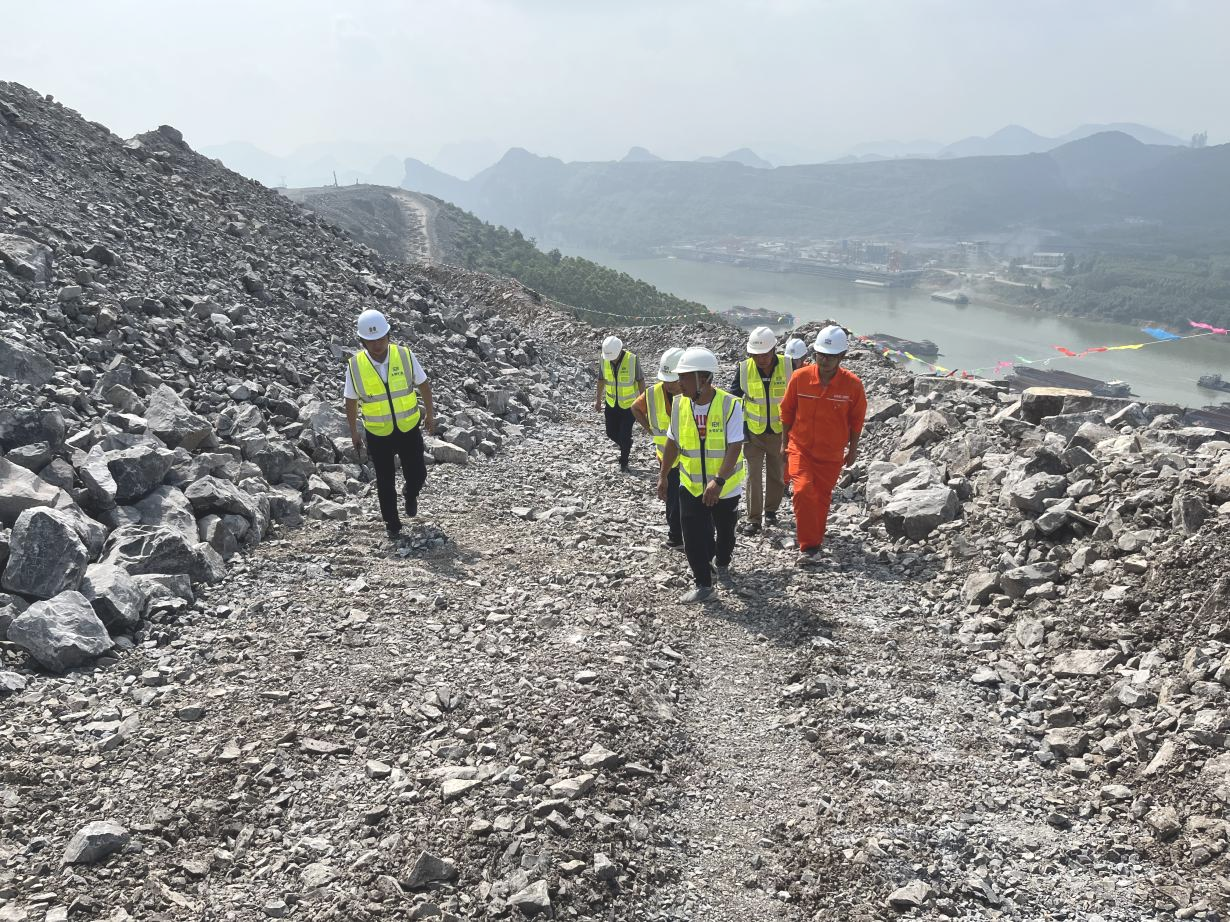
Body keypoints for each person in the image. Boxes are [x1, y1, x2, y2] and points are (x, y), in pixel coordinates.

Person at [658, 347, 746, 603]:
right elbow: (672, 442)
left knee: (725, 534)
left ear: (704, 379)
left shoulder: (730, 405)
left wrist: (718, 481)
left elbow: (735, 446)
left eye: (684, 377)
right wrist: (663, 475)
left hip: (725, 488)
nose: (679, 383)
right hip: (691, 484)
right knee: (692, 534)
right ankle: (703, 584)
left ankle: (722, 561)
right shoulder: (679, 404)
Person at [344, 308, 436, 539]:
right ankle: (392, 525)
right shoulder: (355, 366)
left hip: (408, 428)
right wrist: (354, 431)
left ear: (388, 335)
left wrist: (430, 414)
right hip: (378, 433)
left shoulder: (404, 355)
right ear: (363, 341)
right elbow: (350, 400)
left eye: (381, 338)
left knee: (418, 474)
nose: (377, 344)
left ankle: (410, 493)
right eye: (371, 340)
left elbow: (423, 384)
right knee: (385, 482)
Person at [780, 325, 866, 566]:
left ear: (842, 356)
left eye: (830, 356)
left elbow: (856, 421)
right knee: (802, 491)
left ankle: (815, 540)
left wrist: (853, 449)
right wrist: (784, 444)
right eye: (820, 355)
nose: (824, 360)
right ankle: (809, 545)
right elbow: (787, 411)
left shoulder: (853, 385)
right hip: (800, 448)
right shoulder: (800, 378)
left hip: (831, 454)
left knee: (820, 498)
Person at [729, 326, 791, 535]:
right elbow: (733, 401)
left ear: (774, 349)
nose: (761, 359)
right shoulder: (744, 369)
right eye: (756, 355)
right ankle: (754, 519)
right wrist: (738, 430)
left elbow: (797, 399)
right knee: (753, 476)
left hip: (779, 433)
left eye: (765, 354)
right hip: (753, 434)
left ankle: (771, 511)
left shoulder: (788, 366)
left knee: (776, 475)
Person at [632, 347, 686, 549]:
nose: (669, 385)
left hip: (693, 459)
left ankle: (692, 536)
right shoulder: (654, 393)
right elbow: (635, 408)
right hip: (667, 459)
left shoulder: (695, 393)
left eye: (673, 380)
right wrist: (649, 429)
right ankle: (675, 537)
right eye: (666, 380)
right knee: (672, 500)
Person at [594, 335, 645, 472]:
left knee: (624, 434)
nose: (611, 359)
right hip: (611, 404)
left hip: (629, 406)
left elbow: (640, 380)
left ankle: (624, 462)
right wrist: (598, 400)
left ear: (620, 350)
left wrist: (643, 402)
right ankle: (626, 444)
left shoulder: (632, 359)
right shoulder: (604, 359)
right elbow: (601, 380)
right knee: (610, 432)